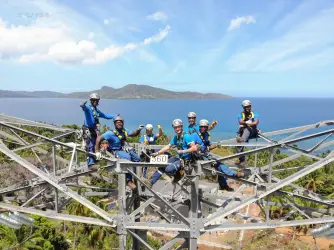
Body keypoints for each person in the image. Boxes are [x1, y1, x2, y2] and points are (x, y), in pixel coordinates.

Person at [94, 116, 144, 190]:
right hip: (115, 151)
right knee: (127, 158)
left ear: (122, 123)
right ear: (114, 124)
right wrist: (97, 151)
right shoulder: (110, 133)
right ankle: (129, 181)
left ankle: (139, 178)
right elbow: (98, 139)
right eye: (117, 122)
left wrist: (138, 129)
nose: (119, 123)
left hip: (123, 149)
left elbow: (133, 134)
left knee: (137, 159)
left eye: (120, 122)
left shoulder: (124, 131)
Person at [144, 119, 197, 187]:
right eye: (175, 127)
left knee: (168, 169)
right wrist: (157, 153)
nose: (177, 129)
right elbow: (168, 146)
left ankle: (179, 175)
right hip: (178, 157)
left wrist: (183, 151)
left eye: (178, 127)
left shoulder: (186, 136)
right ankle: (151, 182)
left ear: (181, 127)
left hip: (185, 160)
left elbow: (194, 148)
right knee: (162, 166)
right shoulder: (176, 137)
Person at [194, 119, 245, 191]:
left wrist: (216, 144)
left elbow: (209, 145)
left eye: (204, 127)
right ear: (199, 127)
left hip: (204, 154)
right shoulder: (195, 135)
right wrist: (201, 148)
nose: (203, 128)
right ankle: (234, 174)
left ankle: (223, 185)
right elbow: (192, 146)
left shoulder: (206, 135)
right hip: (198, 156)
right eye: (201, 127)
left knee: (219, 163)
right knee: (217, 163)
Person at [80, 93, 117, 168]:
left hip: (93, 130)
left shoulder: (96, 111)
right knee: (90, 145)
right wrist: (82, 105)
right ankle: (90, 163)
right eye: (94, 100)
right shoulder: (88, 108)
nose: (95, 102)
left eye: (96, 100)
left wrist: (115, 116)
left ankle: (94, 161)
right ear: (91, 100)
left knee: (94, 145)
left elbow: (105, 116)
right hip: (88, 130)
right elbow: (84, 108)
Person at [236, 100, 260, 166]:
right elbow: (240, 121)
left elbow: (256, 122)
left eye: (248, 106)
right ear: (243, 107)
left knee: (247, 129)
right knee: (238, 145)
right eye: (245, 107)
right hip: (244, 131)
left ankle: (242, 139)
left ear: (250, 106)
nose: (247, 108)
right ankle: (242, 160)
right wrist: (246, 122)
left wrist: (249, 124)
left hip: (253, 131)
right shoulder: (241, 114)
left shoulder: (254, 113)